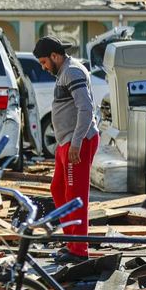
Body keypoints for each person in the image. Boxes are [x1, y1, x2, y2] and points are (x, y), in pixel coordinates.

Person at [33, 35, 98, 264]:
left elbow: (86, 109)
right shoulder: (63, 72)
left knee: (75, 197)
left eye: (43, 62)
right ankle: (72, 242)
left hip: (76, 142)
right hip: (66, 142)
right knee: (58, 190)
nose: (43, 67)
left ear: (54, 56)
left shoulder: (72, 72)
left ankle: (79, 251)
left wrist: (77, 143)